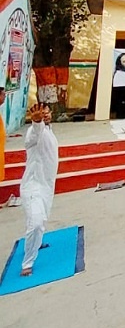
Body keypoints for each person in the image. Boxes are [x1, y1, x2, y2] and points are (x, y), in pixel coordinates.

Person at [20, 104, 59, 277]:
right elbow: (36, 132)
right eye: (41, 114)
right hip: (33, 186)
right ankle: (27, 263)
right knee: (35, 223)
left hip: (47, 185)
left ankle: (37, 242)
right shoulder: (34, 132)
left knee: (41, 219)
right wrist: (36, 122)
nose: (45, 116)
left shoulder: (50, 131)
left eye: (47, 112)